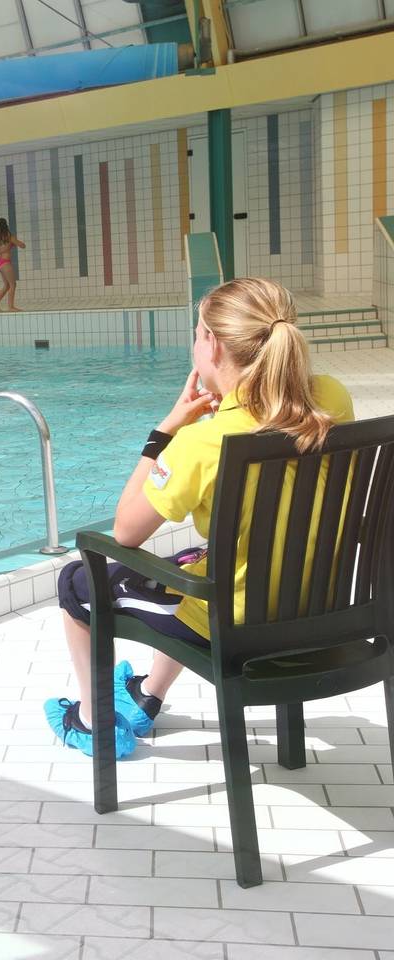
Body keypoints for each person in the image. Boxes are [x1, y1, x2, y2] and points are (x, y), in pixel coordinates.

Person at [44, 277, 354, 758]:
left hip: (240, 624)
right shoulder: (331, 397)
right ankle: (148, 693)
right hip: (323, 611)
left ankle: (92, 722)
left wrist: (165, 432)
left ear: (213, 345)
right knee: (199, 557)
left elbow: (125, 530)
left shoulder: (205, 442)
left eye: (196, 333)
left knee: (78, 581)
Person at [0, 217, 25, 312]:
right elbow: (22, 245)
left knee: (6, 285)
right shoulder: (9, 236)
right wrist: (13, 244)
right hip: (5, 263)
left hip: (0, 262)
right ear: (6, 225)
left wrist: (1, 249)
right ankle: (11, 307)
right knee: (13, 284)